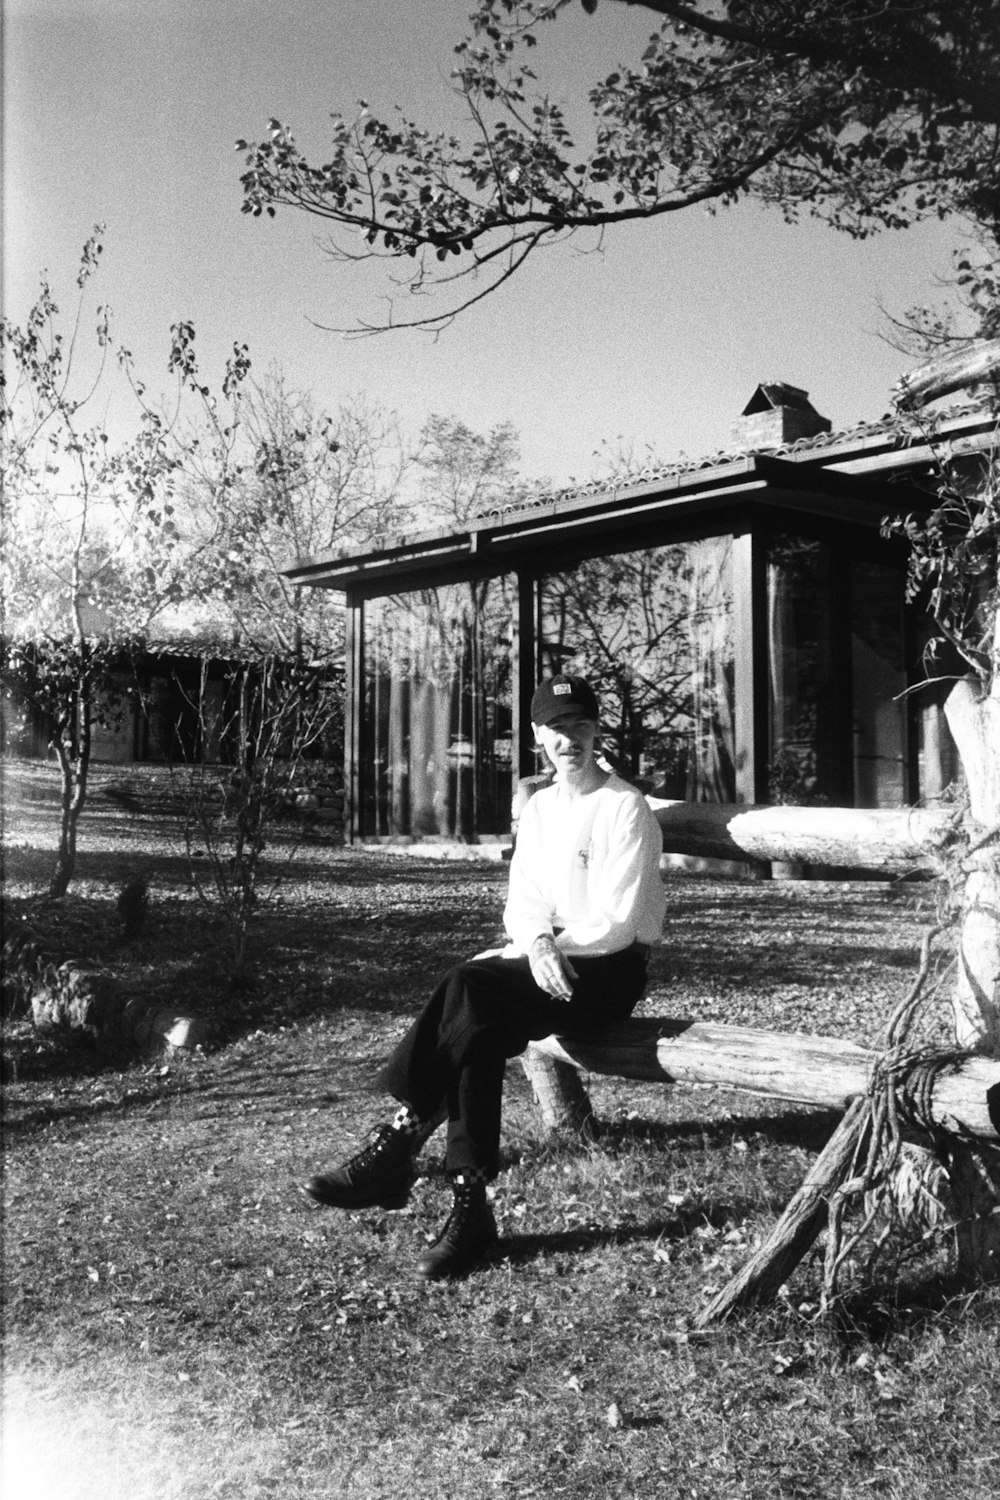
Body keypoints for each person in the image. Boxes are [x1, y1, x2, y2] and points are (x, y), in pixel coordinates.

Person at [305, 672, 666, 1278]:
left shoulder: (625, 808)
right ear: (536, 737)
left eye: (579, 725)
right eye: (556, 728)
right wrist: (536, 944)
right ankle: (471, 1210)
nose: (568, 739)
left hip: (607, 972)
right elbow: (522, 901)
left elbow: (620, 921)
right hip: (546, 960)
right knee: (477, 1029)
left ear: (596, 729)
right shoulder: (543, 807)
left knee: (469, 987)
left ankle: (399, 1140)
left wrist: (546, 949)